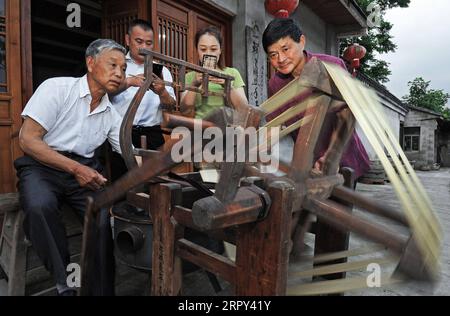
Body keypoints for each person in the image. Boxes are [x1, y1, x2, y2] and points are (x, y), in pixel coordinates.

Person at [15, 39, 126, 296]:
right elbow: (28, 140)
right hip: (42, 164)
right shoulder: (57, 88)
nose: (119, 73)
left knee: (101, 216)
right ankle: (65, 282)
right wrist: (75, 169)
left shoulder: (111, 112)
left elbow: (128, 149)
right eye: (112, 64)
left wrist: (164, 158)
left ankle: (101, 291)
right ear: (90, 62)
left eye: (123, 68)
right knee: (39, 206)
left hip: (84, 170)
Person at [262, 18, 370, 180]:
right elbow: (275, 125)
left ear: (302, 41)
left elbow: (347, 114)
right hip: (307, 163)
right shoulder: (275, 84)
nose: (281, 59)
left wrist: (331, 156)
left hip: (342, 157)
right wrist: (253, 147)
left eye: (286, 49)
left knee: (340, 202)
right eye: (273, 54)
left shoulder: (330, 66)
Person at [110, 19, 176, 181]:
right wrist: (129, 82)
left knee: (156, 183)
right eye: (139, 41)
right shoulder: (116, 65)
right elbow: (105, 93)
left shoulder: (162, 71)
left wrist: (161, 92)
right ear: (127, 40)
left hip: (153, 134)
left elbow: (171, 106)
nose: (144, 47)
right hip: (121, 133)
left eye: (149, 43)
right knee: (122, 184)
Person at [180, 26, 249, 119]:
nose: (208, 53)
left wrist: (227, 85)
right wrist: (194, 85)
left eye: (213, 49)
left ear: (220, 50)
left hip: (227, 127)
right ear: (197, 50)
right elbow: (185, 111)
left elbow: (243, 108)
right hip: (199, 128)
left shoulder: (232, 73)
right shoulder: (189, 76)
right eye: (203, 49)